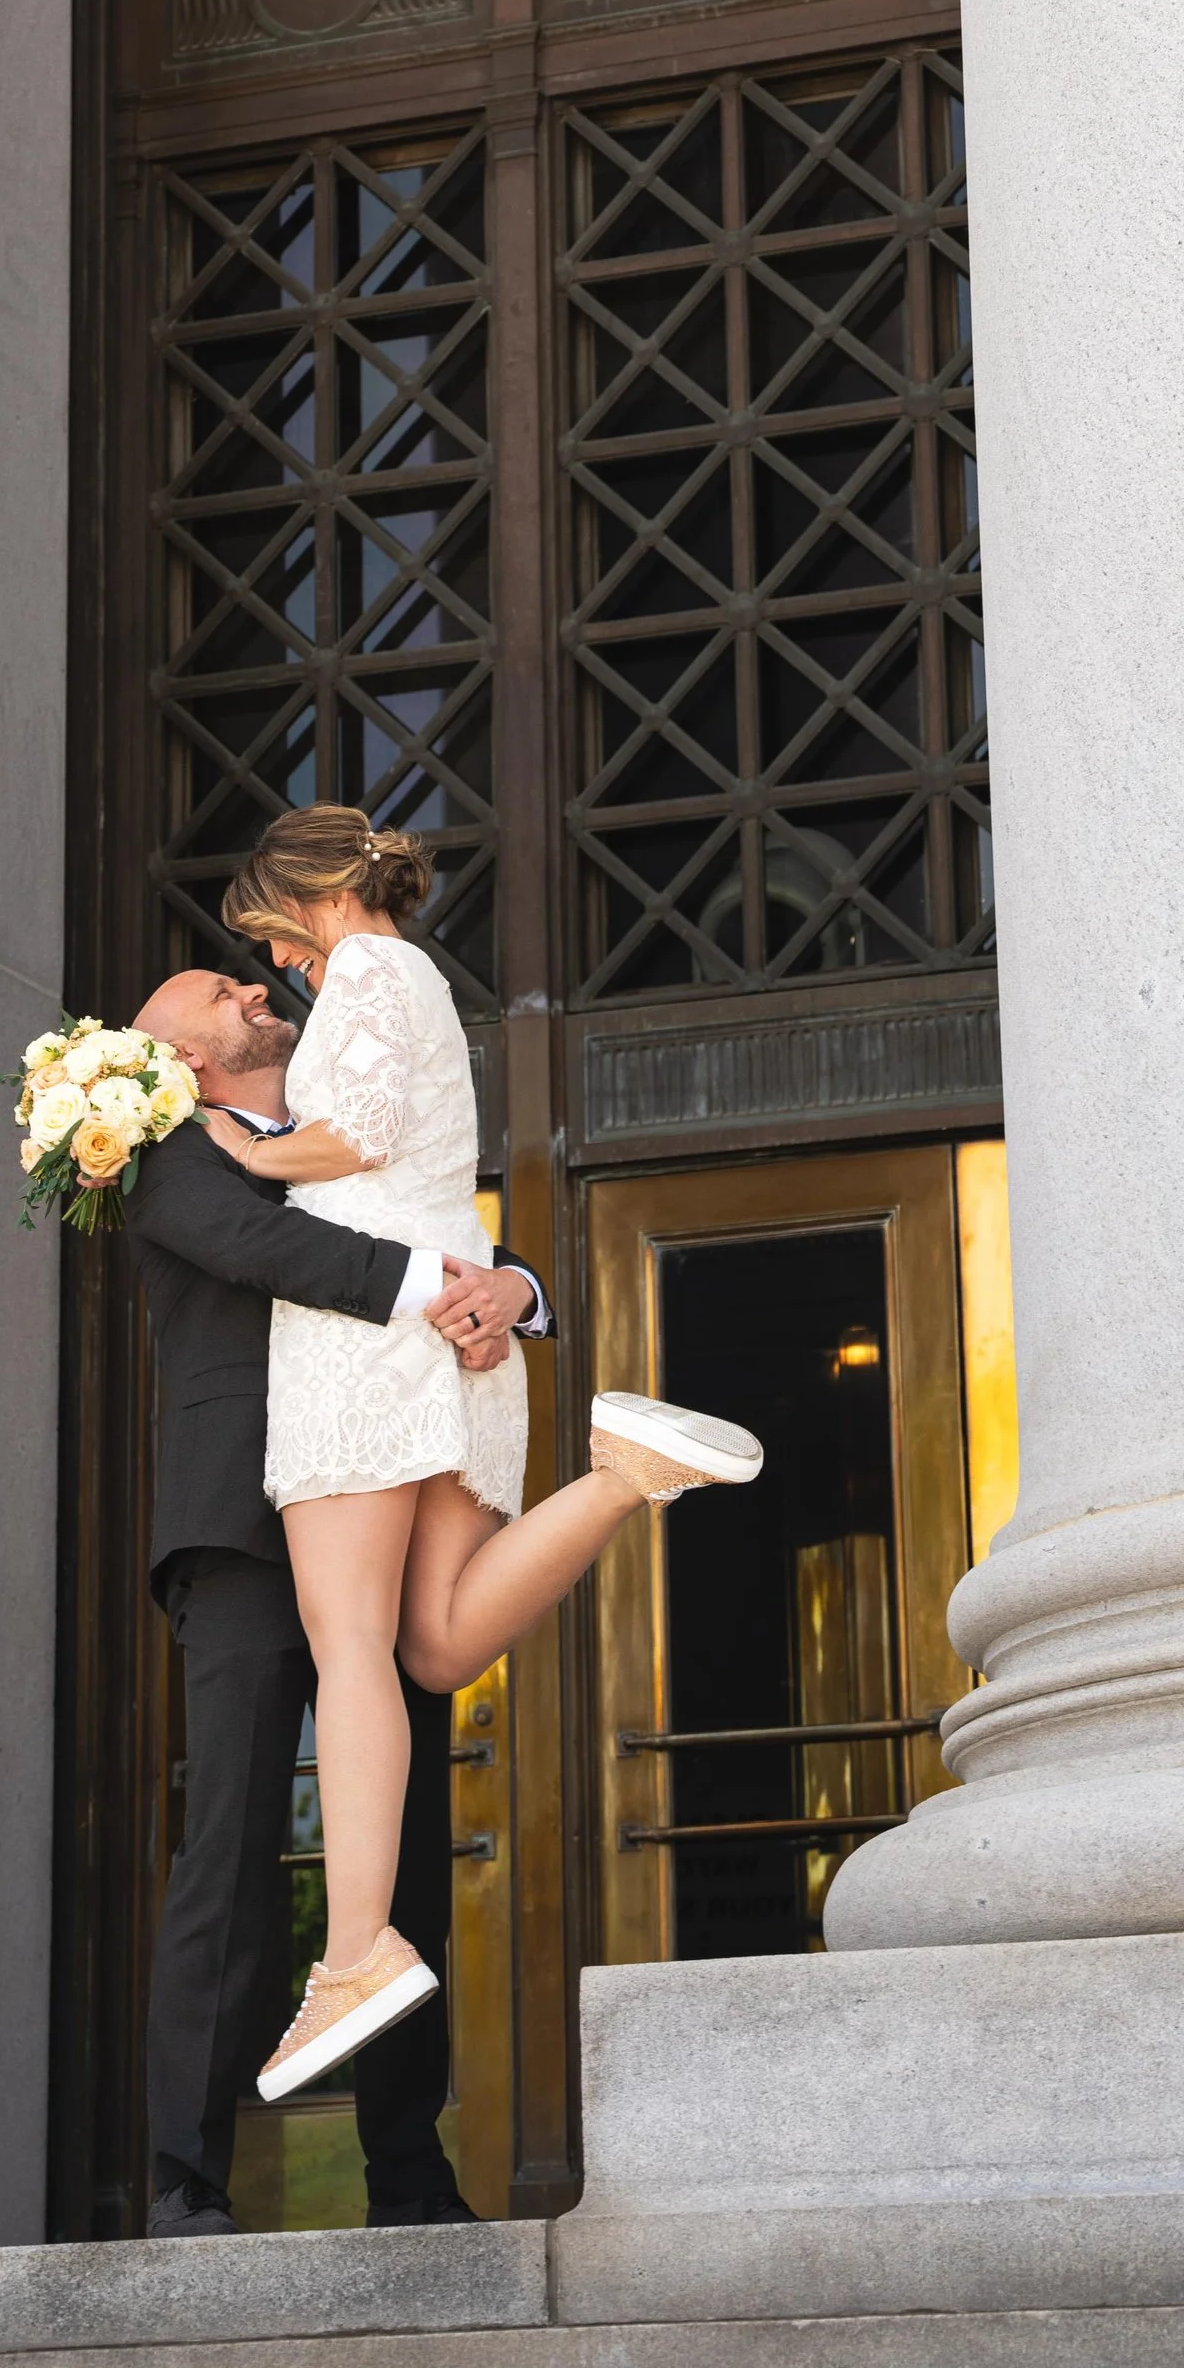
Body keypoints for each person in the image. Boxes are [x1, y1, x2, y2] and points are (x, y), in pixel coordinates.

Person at [208, 805, 762, 2100]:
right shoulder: (417, 980)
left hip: (369, 1338)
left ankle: (353, 1951)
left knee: (349, 1642)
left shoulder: (367, 972)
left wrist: (231, 1138)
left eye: (272, 937)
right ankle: (622, 1473)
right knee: (441, 1643)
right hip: (458, 1326)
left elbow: (348, 1136)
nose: (282, 966)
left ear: (307, 906)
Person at [121, 959, 548, 2235]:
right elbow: (259, 1247)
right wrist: (442, 1292)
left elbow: (444, 1220)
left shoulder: (344, 1129)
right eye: (213, 986)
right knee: (234, 1846)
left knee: (402, 1855)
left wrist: (511, 1289)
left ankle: (408, 2178)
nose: (251, 984)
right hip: (246, 1526)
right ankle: (185, 2180)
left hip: (375, 1489)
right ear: (177, 1051)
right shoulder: (162, 1148)